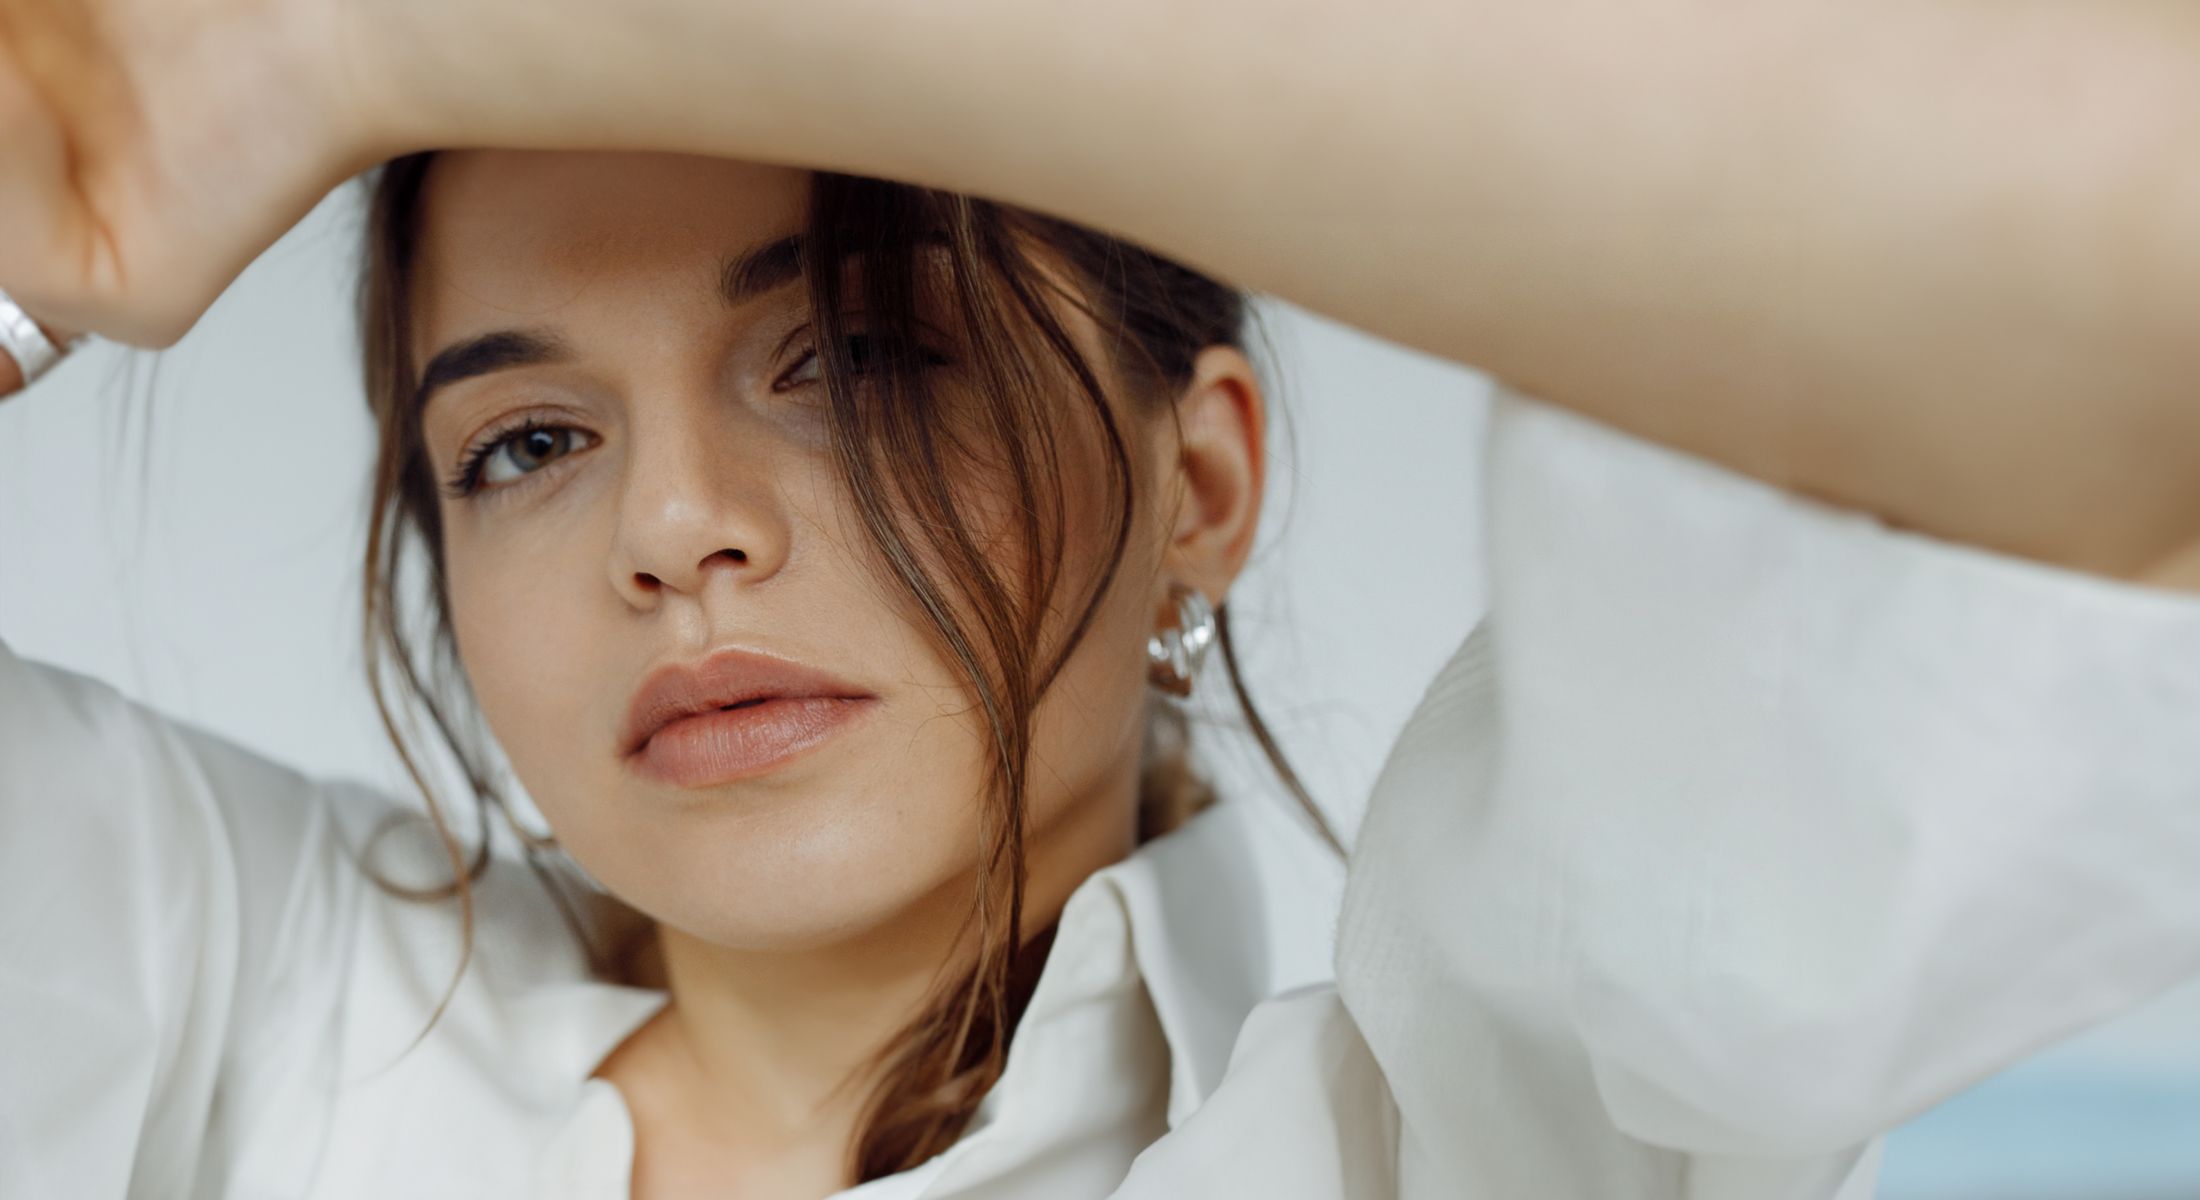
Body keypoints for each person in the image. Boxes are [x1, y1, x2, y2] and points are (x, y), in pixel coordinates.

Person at [4, 2, 2200, 1198]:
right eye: (522, 445)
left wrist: (404, 30)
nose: (670, 529)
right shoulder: (218, 990)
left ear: (1203, 479)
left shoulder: (1468, 1140)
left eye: (861, 356)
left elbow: (2121, 287)